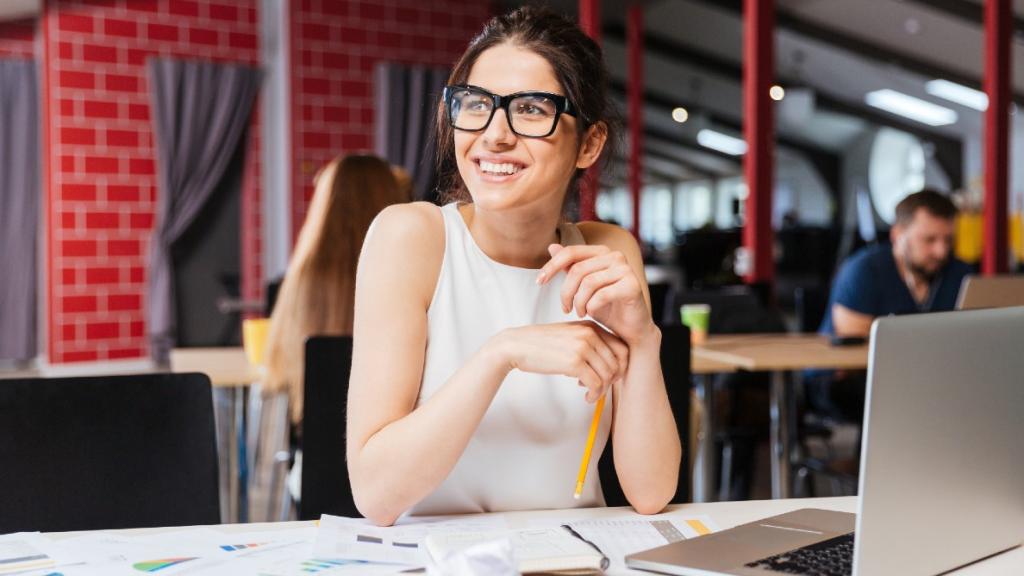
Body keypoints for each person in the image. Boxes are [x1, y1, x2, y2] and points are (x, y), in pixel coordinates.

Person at [347, 7, 681, 526]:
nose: (494, 134)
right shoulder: (411, 237)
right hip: (436, 562)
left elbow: (651, 492)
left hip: (575, 556)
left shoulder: (606, 252)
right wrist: (502, 352)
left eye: (530, 109)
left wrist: (643, 340)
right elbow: (375, 495)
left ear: (589, 143)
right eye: (476, 104)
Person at [264, 154, 407, 424]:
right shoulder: (408, 274)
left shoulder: (301, 278)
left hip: (311, 457)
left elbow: (277, 372)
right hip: (391, 448)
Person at [820, 189, 971, 338]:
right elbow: (854, 349)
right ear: (897, 234)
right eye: (929, 240)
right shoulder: (863, 271)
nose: (941, 252)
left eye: (948, 240)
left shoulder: (961, 274)